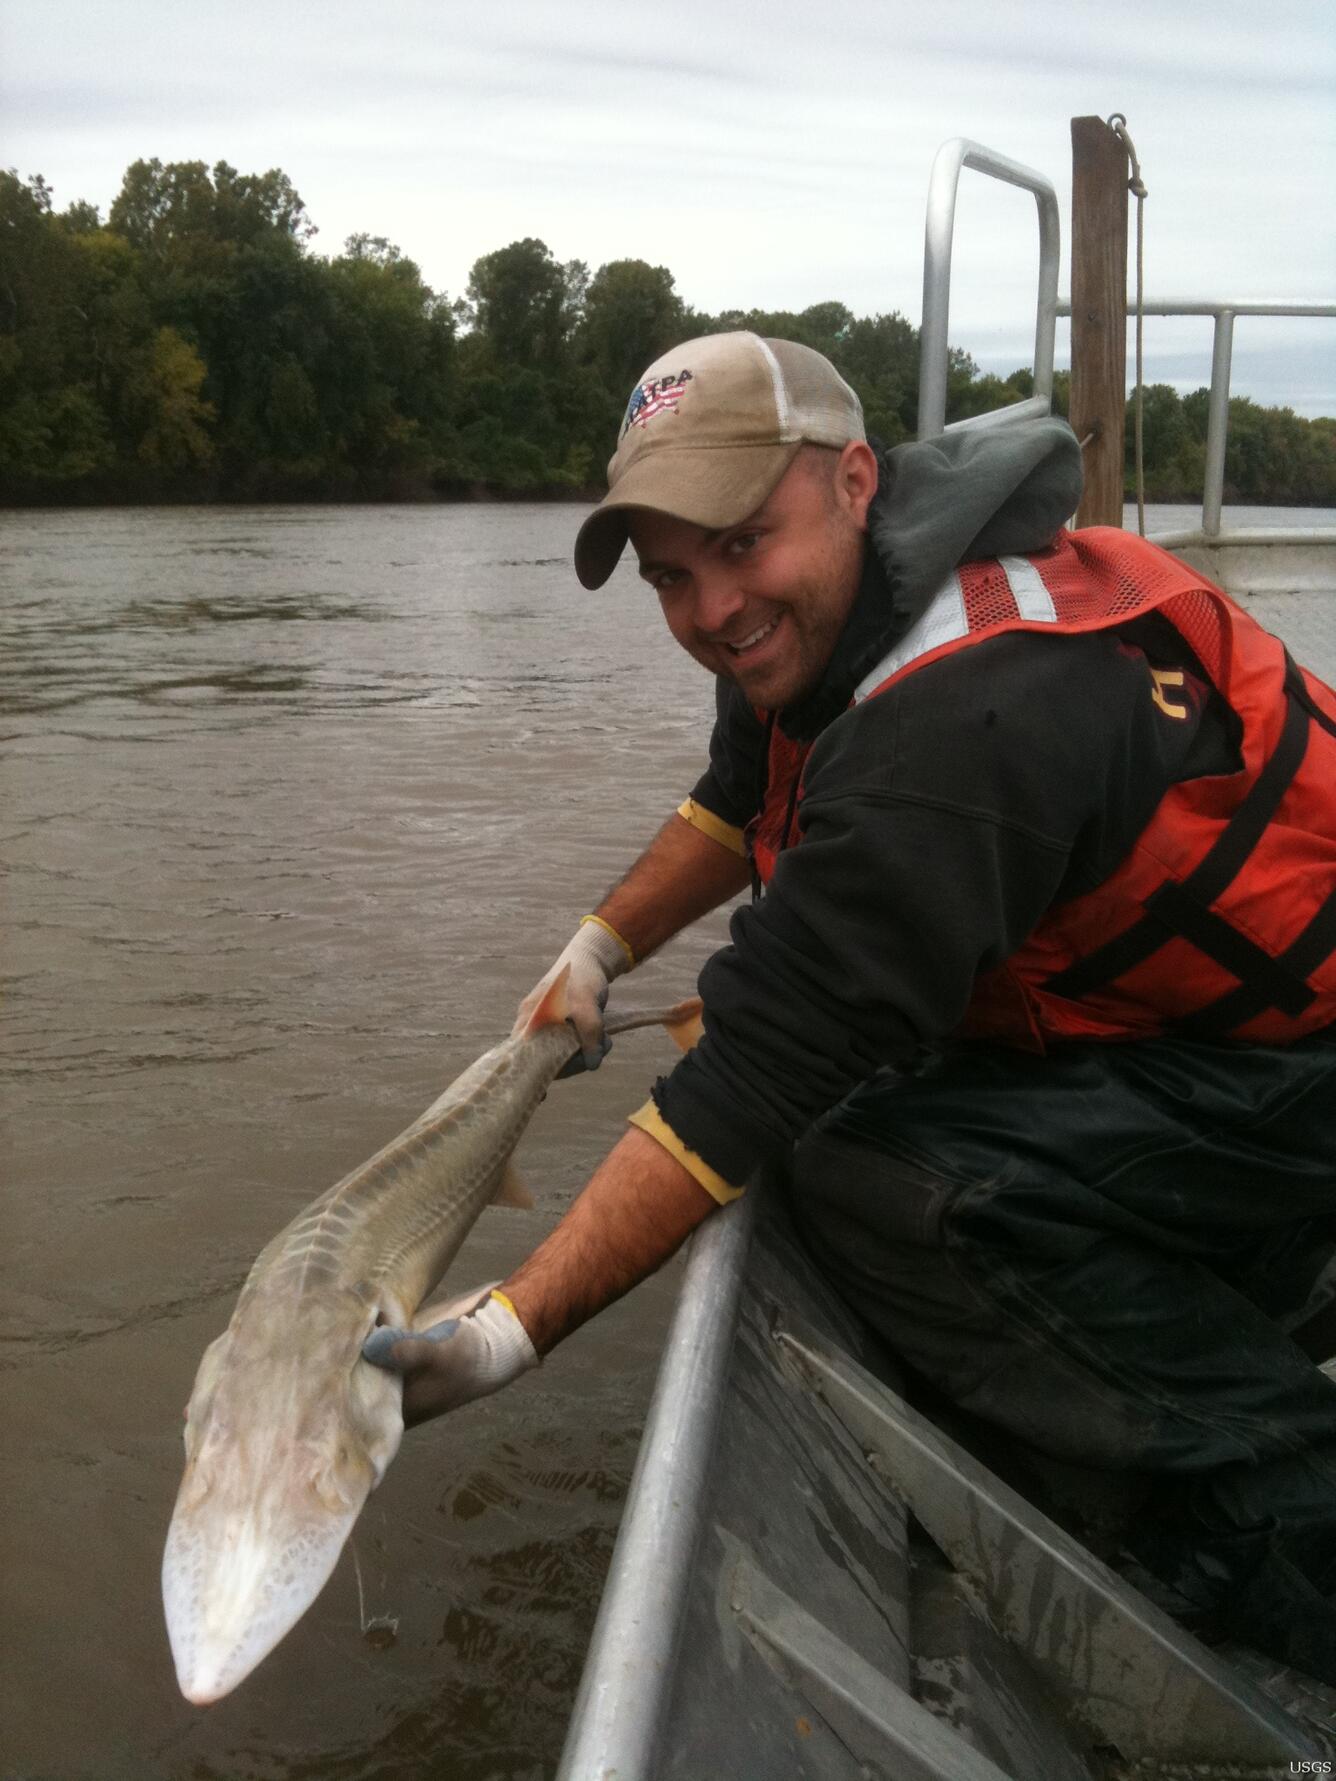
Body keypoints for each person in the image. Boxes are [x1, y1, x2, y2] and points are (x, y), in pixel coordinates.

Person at [364, 331, 1336, 1679]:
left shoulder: (965, 721)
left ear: (858, 478)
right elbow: (733, 797)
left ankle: (1271, 1497)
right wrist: (601, 944)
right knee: (837, 1096)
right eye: (672, 579)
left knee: (858, 1159)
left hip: (1289, 1076)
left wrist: (503, 1333)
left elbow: (741, 1092)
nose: (713, 609)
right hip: (1201, 1040)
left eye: (741, 542)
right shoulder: (829, 608)